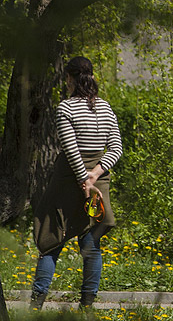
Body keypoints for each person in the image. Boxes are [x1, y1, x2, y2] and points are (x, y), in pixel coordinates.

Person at [31, 56, 122, 310]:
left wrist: (84, 178)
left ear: (70, 79)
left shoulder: (66, 108)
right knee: (91, 243)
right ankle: (87, 307)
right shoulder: (105, 107)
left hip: (68, 180)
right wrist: (95, 175)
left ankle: (36, 306)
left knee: (51, 239)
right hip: (97, 181)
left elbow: (71, 150)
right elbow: (116, 147)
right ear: (92, 77)